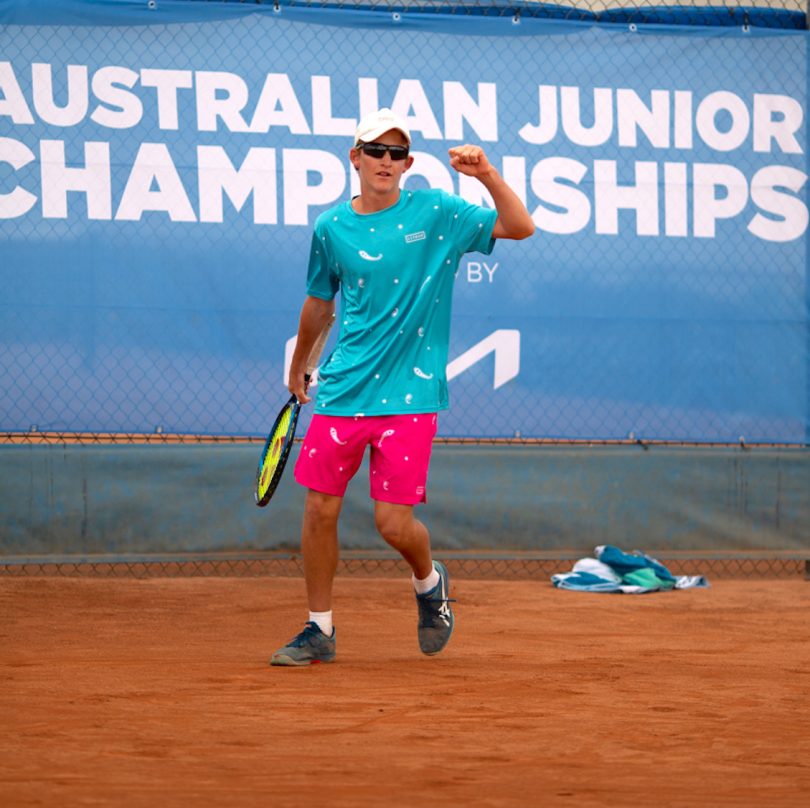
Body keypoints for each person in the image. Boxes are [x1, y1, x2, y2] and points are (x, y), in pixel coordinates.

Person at [270, 108, 534, 666]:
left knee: (393, 524)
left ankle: (428, 580)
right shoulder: (330, 228)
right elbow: (321, 300)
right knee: (320, 510)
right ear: (356, 157)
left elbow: (519, 226)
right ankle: (319, 629)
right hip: (343, 388)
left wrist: (486, 174)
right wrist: (304, 360)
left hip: (410, 395)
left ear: (408, 164)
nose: (385, 162)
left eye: (396, 154)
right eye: (376, 151)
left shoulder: (438, 212)